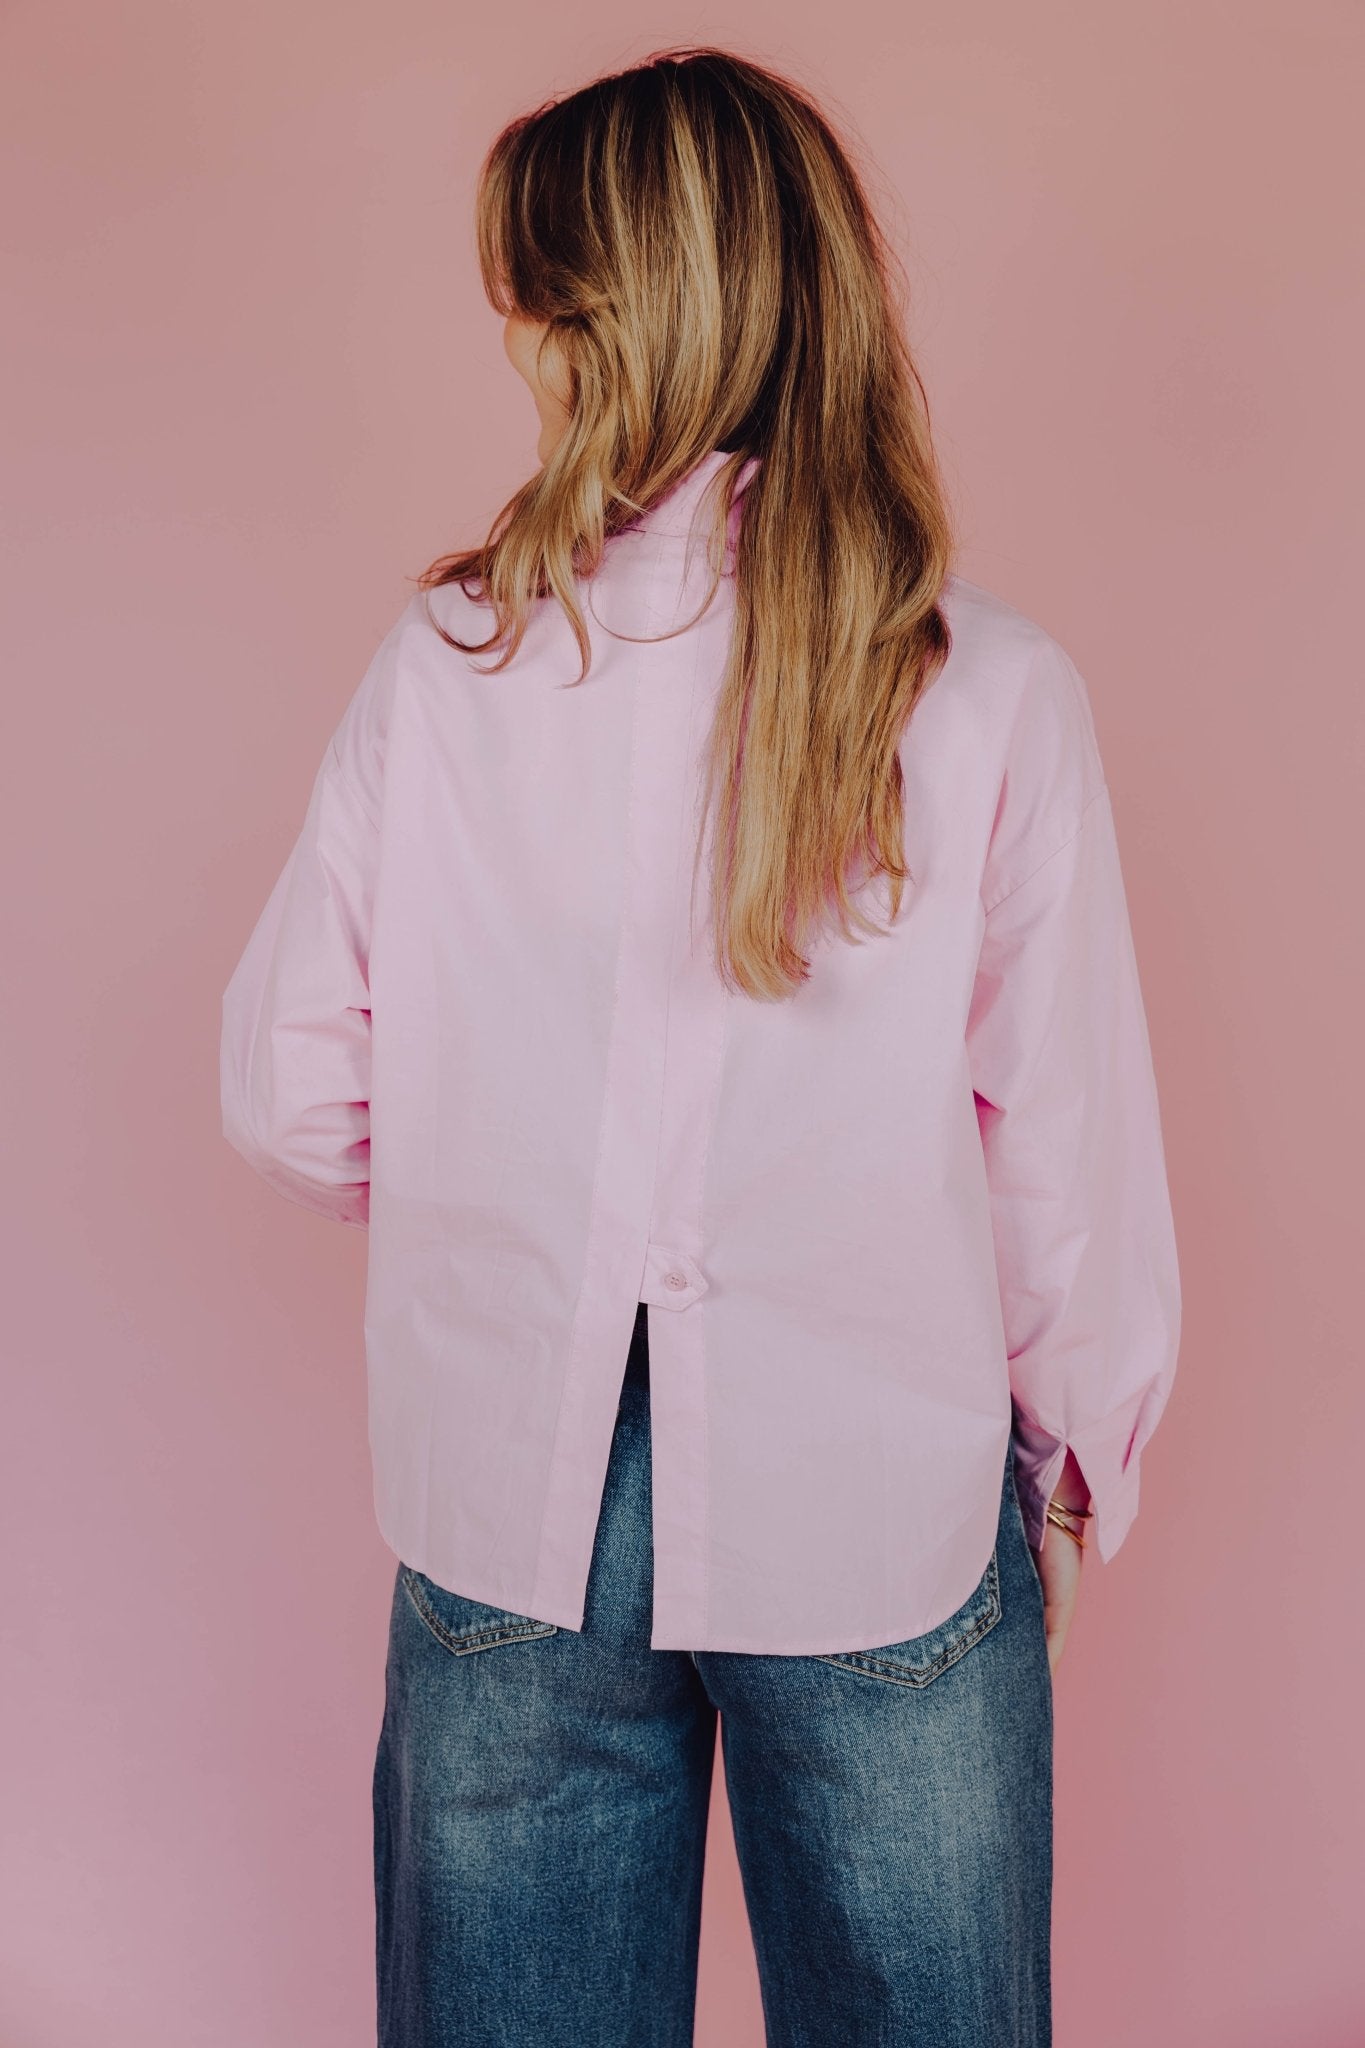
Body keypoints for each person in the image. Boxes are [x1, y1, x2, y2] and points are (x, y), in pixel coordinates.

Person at [219, 45, 1181, 2048]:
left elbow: (292, 1088)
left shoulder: (454, 664)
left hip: (508, 1496)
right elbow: (1060, 1155)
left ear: (601, 333)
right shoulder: (987, 690)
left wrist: (491, 1188)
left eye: (531, 307)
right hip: (879, 1488)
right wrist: (1076, 1458)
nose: (514, 347)